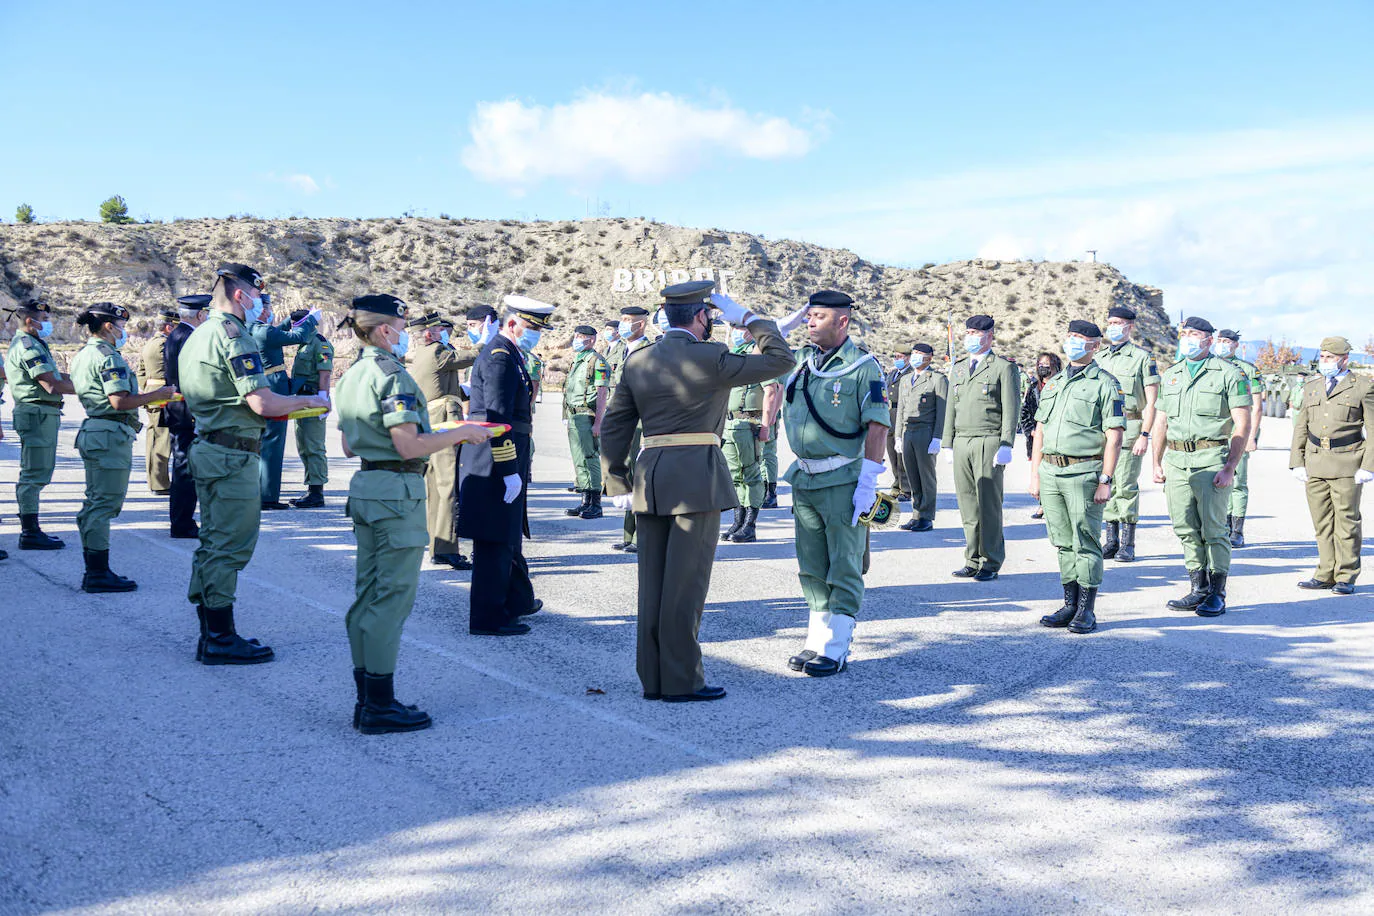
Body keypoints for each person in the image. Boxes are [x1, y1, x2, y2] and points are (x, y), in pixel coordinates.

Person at [601, 281, 793, 701]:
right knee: (685, 586)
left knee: (652, 582)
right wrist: (749, 319)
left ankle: (653, 677)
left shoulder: (639, 359)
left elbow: (615, 422)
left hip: (650, 479)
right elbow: (781, 359)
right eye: (710, 316)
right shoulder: (713, 357)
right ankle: (681, 680)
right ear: (703, 317)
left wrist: (615, 479)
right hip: (695, 480)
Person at [334, 294, 493, 733]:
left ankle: (367, 699)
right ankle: (380, 706)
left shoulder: (351, 376)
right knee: (391, 600)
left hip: (368, 488)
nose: (406, 336)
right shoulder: (393, 376)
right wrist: (461, 433)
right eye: (402, 328)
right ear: (385, 329)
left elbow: (349, 445)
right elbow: (407, 445)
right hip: (397, 493)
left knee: (367, 594)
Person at [178, 264, 330, 664]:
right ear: (241, 295)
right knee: (230, 546)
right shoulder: (233, 335)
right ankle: (221, 639)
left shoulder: (200, 334)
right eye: (259, 294)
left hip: (211, 447)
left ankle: (211, 631)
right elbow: (263, 402)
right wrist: (312, 401)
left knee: (213, 543)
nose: (262, 301)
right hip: (231, 456)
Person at [775, 290, 889, 676]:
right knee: (811, 565)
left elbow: (877, 426)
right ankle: (815, 640)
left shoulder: (863, 367)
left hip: (843, 480)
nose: (809, 322)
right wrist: (780, 326)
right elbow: (759, 357)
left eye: (818, 316)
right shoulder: (803, 362)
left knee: (844, 563)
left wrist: (869, 482)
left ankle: (837, 646)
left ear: (842, 321)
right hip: (805, 477)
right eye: (808, 316)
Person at [457, 295, 553, 636]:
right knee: (495, 542)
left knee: (507, 536)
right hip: (494, 462)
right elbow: (497, 418)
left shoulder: (511, 354)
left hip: (504, 455)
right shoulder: (500, 357)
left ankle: (515, 601)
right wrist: (509, 468)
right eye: (531, 328)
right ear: (512, 324)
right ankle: (488, 618)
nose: (535, 336)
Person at [70, 302, 177, 592]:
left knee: (95, 502)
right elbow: (119, 401)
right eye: (121, 326)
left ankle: (96, 570)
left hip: (96, 430)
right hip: (108, 434)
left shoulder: (84, 355)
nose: (124, 331)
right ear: (108, 326)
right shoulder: (108, 357)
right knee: (104, 505)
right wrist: (158, 394)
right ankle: (97, 574)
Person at [1150, 316, 1251, 617]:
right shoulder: (1172, 374)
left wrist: (1230, 466)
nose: (1188, 339)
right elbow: (1161, 421)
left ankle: (1217, 593)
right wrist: (1155, 462)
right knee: (1184, 526)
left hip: (1211, 458)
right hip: (1177, 461)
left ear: (1209, 339)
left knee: (1214, 529)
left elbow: (1242, 424)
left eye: (1195, 334)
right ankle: (1198, 587)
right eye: (1185, 334)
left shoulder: (1228, 374)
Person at [1029, 321, 1125, 634]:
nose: (1073, 343)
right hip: (1051, 471)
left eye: (1080, 339)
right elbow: (1039, 430)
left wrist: (1106, 479)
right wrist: (1035, 475)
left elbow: (1114, 437)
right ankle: (1069, 603)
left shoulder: (1105, 384)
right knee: (1062, 542)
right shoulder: (1054, 383)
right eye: (1070, 338)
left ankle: (1086, 609)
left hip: (1084, 472)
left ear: (1095, 346)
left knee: (1085, 542)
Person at [1290, 337, 1374, 595]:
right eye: (1322, 356)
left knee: (1346, 521)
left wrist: (1368, 466)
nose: (1324, 361)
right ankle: (1325, 572)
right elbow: (1301, 426)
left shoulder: (1362, 387)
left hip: (1348, 461)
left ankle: (1346, 575)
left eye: (1330, 357)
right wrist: (1297, 461)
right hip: (1315, 461)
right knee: (1322, 522)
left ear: (1344, 359)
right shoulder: (1312, 386)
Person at [943, 314, 1022, 581]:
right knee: (967, 505)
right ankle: (972, 558)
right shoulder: (960, 368)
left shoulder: (1003, 367)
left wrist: (1006, 443)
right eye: (968, 332)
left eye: (977, 333)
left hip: (988, 440)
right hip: (962, 440)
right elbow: (951, 409)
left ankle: (990, 561)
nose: (971, 337)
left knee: (988, 503)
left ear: (990, 336)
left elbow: (1011, 409)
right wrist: (947, 442)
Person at [4, 298, 74, 549]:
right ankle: (30, 532)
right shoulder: (28, 346)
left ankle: (31, 527)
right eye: (44, 320)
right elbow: (51, 385)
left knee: (37, 472)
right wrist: (90, 390)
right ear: (30, 321)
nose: (48, 324)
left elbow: (56, 376)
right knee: (34, 474)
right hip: (37, 413)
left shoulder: (33, 343)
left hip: (41, 413)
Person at [409, 311, 477, 569]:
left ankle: (437, 545)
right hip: (443, 420)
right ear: (428, 333)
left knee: (435, 486)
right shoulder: (437, 351)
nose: (442, 333)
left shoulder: (421, 353)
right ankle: (447, 548)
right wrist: (486, 340)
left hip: (429, 419)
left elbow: (439, 384)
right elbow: (470, 356)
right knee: (448, 485)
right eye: (438, 329)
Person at [1094, 306, 1160, 562]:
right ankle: (1109, 540)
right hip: (1102, 431)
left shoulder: (1143, 358)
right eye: (1110, 322)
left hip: (1131, 428)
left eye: (1118, 322)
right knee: (1106, 482)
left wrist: (1145, 433)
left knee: (1126, 486)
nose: (1113, 326)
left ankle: (1127, 543)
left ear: (1130, 326)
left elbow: (1152, 401)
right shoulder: (1100, 357)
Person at [248, 301, 321, 510]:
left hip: (264, 384)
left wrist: (291, 319)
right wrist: (312, 320)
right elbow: (295, 337)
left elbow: (275, 333)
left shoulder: (251, 329)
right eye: (268, 308)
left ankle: (260, 492)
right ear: (262, 310)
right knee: (273, 442)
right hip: (275, 387)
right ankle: (268, 496)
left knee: (263, 441)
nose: (270, 312)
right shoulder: (262, 331)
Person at [720, 323, 773, 543]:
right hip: (730, 424)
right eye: (732, 328)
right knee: (734, 476)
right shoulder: (735, 357)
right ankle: (738, 520)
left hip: (749, 422)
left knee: (751, 475)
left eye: (739, 328)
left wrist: (766, 425)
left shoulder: (759, 358)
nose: (734, 332)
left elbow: (771, 392)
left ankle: (750, 525)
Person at [607, 305, 653, 553]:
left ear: (641, 324)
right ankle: (628, 535)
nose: (623, 324)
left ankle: (641, 537)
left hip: (641, 426)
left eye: (628, 320)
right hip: (624, 426)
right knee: (627, 476)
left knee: (641, 478)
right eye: (622, 319)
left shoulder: (650, 351)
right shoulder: (622, 350)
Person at [163, 294, 209, 538]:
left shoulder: (176, 334)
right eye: (207, 313)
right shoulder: (190, 336)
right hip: (187, 411)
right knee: (185, 469)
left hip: (180, 409)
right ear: (200, 315)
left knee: (184, 467)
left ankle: (182, 521)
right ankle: (182, 523)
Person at [1212, 329, 1262, 548]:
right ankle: (1220, 526)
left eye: (1226, 341)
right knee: (1215, 482)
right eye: (1219, 341)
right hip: (1216, 434)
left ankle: (1237, 530)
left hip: (1239, 433)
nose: (1222, 344)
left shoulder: (1249, 370)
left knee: (1238, 482)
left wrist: (1251, 437)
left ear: (1235, 345)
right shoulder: (1210, 367)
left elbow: (1258, 407)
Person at [896, 342, 948, 531]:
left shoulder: (937, 379)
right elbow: (901, 408)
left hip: (925, 432)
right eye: (914, 353)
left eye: (919, 354)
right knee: (912, 476)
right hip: (908, 431)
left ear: (929, 358)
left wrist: (937, 437)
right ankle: (916, 514)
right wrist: (898, 436)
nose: (915, 357)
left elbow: (942, 412)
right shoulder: (906, 379)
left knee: (926, 476)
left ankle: (926, 516)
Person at [287, 310, 335, 508]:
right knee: (303, 444)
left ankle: (317, 492)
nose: (293, 327)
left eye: (296, 323)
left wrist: (323, 399)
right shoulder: (303, 343)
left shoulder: (320, 343)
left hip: (315, 398)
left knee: (314, 445)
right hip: (302, 399)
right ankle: (311, 488)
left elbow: (324, 374)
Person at [562, 324, 611, 520]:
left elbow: (601, 394)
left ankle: (596, 504)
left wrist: (598, 423)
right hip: (574, 415)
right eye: (576, 336)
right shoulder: (577, 360)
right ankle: (585, 500)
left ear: (591, 340)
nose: (576, 339)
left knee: (590, 458)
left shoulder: (597, 362)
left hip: (586, 415)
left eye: (580, 336)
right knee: (579, 459)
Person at [137, 308, 178, 495]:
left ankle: (155, 481)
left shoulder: (150, 344)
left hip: (153, 392)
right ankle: (160, 483)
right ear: (169, 327)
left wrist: (147, 389)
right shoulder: (164, 344)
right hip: (163, 394)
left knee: (154, 438)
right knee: (161, 440)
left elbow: (141, 372)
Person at [1020, 352, 1062, 519]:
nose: (1043, 367)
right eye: (1040, 364)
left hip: (1057, 438)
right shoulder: (1033, 388)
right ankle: (1043, 505)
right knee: (1041, 473)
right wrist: (1031, 430)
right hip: (1037, 439)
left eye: (1047, 364)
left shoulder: (1062, 385)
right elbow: (1024, 412)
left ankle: (1054, 506)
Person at [884, 349, 913, 499]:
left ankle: (906, 489)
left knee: (902, 454)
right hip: (889, 415)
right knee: (892, 452)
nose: (896, 359)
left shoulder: (911, 374)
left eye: (900, 357)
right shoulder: (891, 374)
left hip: (902, 415)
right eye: (895, 356)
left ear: (908, 358)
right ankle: (897, 484)